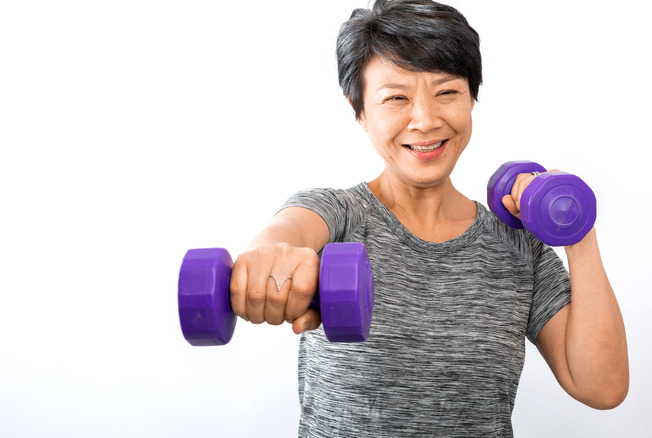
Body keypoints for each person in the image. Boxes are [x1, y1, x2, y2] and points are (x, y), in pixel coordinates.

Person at [229, 0, 629, 436]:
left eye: (447, 92)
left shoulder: (518, 247)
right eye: (396, 98)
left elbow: (602, 387)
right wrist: (268, 258)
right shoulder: (338, 216)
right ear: (359, 109)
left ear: (472, 97)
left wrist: (575, 230)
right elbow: (287, 231)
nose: (425, 119)